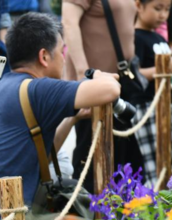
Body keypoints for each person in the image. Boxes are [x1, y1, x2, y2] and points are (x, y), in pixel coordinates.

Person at [0, 12, 120, 220]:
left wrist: (73, 118)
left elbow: (38, 154)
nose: (64, 59)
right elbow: (110, 90)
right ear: (44, 56)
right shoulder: (38, 89)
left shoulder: (1, 88)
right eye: (62, 51)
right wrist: (100, 75)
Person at [61, 0, 139, 193]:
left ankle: (121, 215)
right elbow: (69, 24)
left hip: (119, 85)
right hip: (94, 91)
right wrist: (83, 75)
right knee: (91, 159)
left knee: (122, 160)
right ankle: (89, 218)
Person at [134, 0, 172, 185]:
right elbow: (135, 74)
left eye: (167, 9)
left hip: (167, 105)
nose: (163, 15)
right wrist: (164, 67)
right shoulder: (135, 38)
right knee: (153, 165)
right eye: (157, 8)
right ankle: (157, 204)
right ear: (138, 5)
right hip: (147, 107)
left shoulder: (160, 39)